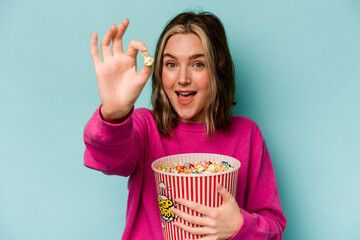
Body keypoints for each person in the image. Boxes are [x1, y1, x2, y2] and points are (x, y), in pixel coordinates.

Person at [84, 11, 287, 239]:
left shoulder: (247, 135)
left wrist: (240, 225)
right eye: (171, 64)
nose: (182, 79)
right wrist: (114, 114)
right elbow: (106, 158)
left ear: (218, 71)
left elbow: (274, 227)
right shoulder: (144, 127)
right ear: (160, 73)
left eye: (198, 64)